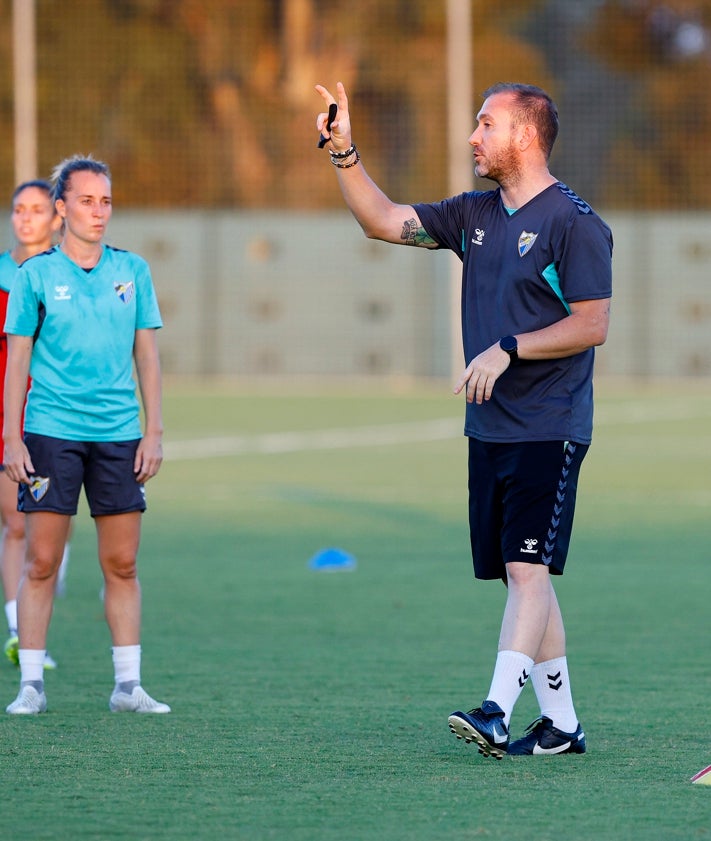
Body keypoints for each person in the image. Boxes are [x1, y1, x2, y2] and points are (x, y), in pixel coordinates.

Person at [315, 81, 612, 757]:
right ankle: (562, 724)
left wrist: (509, 347)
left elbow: (591, 323)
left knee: (527, 568)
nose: (473, 137)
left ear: (525, 136)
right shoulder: (474, 213)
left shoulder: (574, 223)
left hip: (550, 421)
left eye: (486, 124)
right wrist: (343, 152)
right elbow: (382, 220)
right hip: (491, 426)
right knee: (521, 573)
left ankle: (496, 709)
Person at [3, 155, 170, 714]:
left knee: (122, 564)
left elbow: (147, 356)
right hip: (51, 431)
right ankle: (32, 685)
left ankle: (128, 686)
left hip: (120, 435)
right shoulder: (36, 276)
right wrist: (13, 437)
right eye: (85, 201)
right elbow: (17, 360)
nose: (98, 212)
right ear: (61, 209)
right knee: (42, 562)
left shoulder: (133, 270)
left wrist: (154, 432)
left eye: (105, 202)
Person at [0, 181, 66, 671]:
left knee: (52, 529)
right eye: (18, 209)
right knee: (16, 522)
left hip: (58, 414)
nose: (25, 218)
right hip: (9, 415)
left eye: (36, 210)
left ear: (56, 217)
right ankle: (20, 632)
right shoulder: (3, 275)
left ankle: (39, 597)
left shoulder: (72, 276)